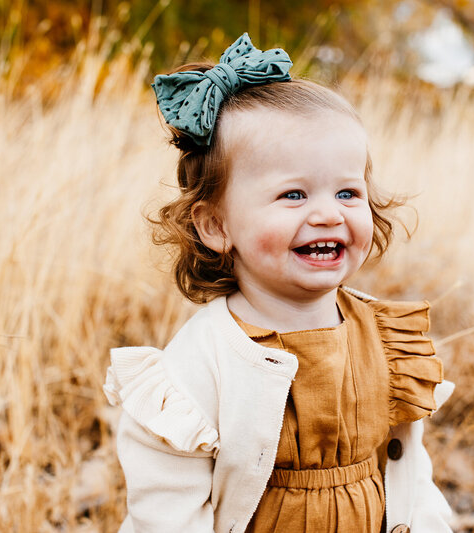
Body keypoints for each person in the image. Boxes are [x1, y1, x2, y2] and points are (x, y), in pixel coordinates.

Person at [104, 33, 455, 533]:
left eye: (348, 192)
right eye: (293, 194)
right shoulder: (201, 362)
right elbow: (166, 509)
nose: (328, 214)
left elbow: (411, 475)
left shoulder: (384, 339)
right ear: (217, 226)